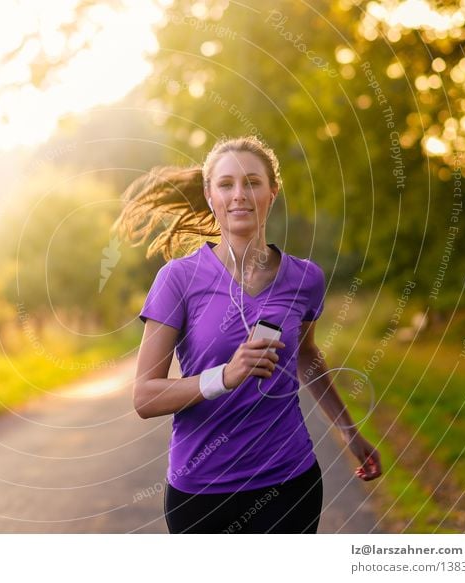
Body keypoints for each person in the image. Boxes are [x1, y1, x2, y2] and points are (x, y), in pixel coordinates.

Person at [112, 135, 382, 534]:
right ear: (210, 196)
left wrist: (348, 431)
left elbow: (305, 355)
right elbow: (145, 396)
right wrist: (225, 376)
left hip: (290, 482)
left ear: (272, 192)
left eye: (252, 182)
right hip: (201, 492)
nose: (240, 195)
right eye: (226, 184)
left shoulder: (305, 278)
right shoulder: (178, 280)